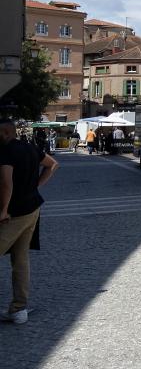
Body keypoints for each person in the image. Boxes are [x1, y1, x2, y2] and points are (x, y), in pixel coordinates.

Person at [0, 118, 59, 325]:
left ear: (6, 133)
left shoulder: (6, 152)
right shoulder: (29, 148)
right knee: (21, 258)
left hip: (13, 214)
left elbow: (7, 184)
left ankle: (18, 309)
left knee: (20, 258)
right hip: (32, 209)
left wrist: (3, 210)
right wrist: (35, 186)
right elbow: (52, 165)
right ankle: (19, 309)